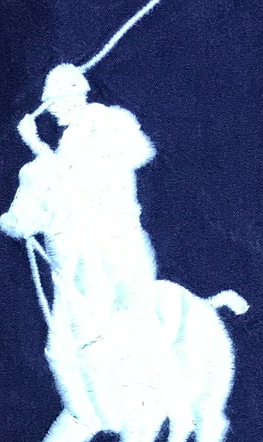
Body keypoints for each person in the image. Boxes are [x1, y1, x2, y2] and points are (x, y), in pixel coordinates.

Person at [17, 64, 158, 320]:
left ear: (75, 97)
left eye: (55, 102)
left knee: (130, 311)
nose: (51, 109)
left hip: (116, 234)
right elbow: (60, 180)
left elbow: (140, 152)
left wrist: (35, 144)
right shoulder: (69, 140)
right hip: (86, 236)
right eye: (50, 103)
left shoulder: (107, 120)